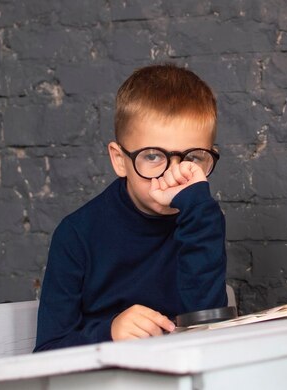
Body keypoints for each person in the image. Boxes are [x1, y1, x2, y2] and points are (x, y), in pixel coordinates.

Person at [34, 63, 227, 351]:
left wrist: (199, 210)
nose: (172, 175)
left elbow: (208, 327)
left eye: (193, 158)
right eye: (152, 156)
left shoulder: (201, 218)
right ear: (119, 160)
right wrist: (110, 332)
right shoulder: (76, 235)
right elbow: (48, 350)